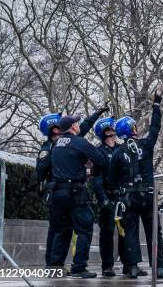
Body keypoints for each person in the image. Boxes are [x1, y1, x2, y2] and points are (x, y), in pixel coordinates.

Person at [36, 106, 108, 269]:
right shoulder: (60, 145)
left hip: (59, 193)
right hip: (70, 191)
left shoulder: (58, 144)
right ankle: (71, 266)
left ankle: (55, 266)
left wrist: (96, 114)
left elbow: (83, 127)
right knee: (77, 228)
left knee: (61, 230)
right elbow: (101, 160)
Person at [109, 92, 163, 279]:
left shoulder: (118, 153)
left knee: (131, 232)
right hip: (148, 195)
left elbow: (112, 178)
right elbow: (155, 128)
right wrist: (156, 107)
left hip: (128, 197)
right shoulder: (146, 145)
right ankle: (159, 268)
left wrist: (120, 190)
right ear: (131, 130)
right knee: (154, 233)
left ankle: (133, 266)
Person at [90, 117, 127, 277]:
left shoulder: (121, 149)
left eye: (113, 130)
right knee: (107, 233)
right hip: (107, 195)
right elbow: (96, 178)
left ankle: (129, 263)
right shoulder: (99, 152)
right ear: (105, 132)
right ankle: (107, 266)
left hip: (122, 196)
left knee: (126, 232)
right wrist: (102, 198)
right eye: (110, 130)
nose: (113, 132)